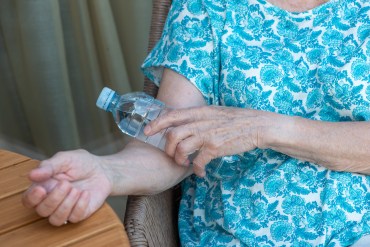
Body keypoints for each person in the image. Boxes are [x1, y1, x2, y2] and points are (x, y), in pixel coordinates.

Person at [22, 0, 370, 246]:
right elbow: (171, 141)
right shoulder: (207, 7)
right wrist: (106, 171)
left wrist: (265, 127)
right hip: (237, 234)